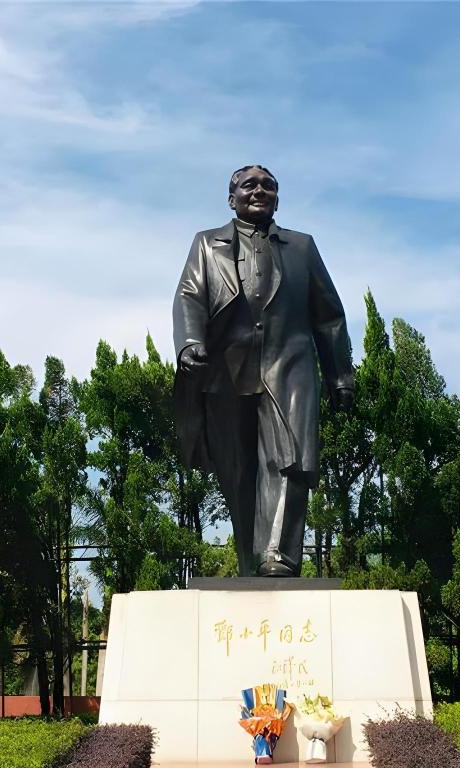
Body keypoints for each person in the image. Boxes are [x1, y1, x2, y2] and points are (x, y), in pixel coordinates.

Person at [173, 165, 354, 577]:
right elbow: (189, 296)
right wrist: (190, 342)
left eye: (268, 186)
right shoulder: (206, 244)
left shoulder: (302, 248)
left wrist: (340, 375)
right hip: (226, 369)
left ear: (277, 198)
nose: (259, 191)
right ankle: (248, 562)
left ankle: (278, 556)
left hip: (288, 365)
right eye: (249, 185)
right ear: (231, 197)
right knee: (237, 471)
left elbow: (329, 316)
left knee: (289, 458)